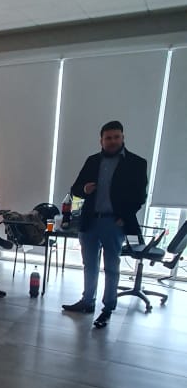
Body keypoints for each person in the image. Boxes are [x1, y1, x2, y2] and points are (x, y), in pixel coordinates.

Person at [63, 120, 147, 328]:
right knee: (89, 265)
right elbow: (75, 189)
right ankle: (87, 301)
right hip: (90, 221)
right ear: (101, 140)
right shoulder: (92, 161)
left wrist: (124, 217)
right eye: (108, 138)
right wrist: (84, 190)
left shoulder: (137, 163)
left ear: (123, 138)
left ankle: (108, 308)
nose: (112, 141)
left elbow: (139, 197)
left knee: (111, 267)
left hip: (114, 223)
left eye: (116, 137)